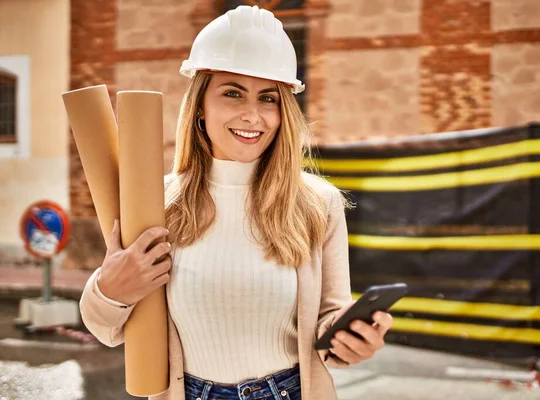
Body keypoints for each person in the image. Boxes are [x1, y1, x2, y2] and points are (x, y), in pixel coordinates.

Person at [79, 5, 393, 400]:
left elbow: (328, 323)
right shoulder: (156, 202)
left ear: (284, 113)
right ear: (200, 109)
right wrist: (110, 289)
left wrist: (352, 337)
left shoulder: (318, 203)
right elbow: (104, 329)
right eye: (232, 93)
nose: (252, 115)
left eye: (268, 98)